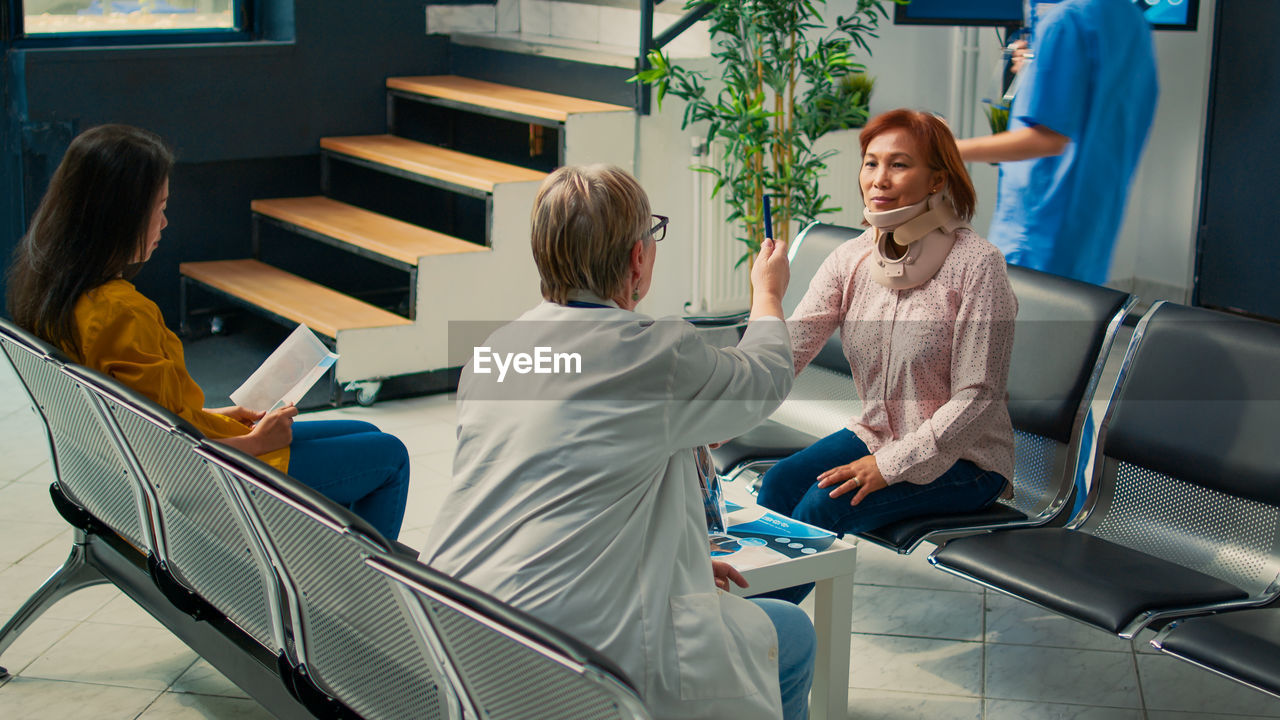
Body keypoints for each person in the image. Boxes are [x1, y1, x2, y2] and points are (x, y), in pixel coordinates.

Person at [422, 164, 814, 720]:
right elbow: (765, 377)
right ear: (637, 258)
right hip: (571, 661)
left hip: (459, 629)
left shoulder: (497, 351)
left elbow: (556, 488)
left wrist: (677, 560)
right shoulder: (655, 355)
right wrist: (767, 292)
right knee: (792, 634)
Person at [5, 124, 411, 540]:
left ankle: (322, 563)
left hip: (141, 473)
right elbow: (170, 458)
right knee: (389, 457)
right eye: (158, 207)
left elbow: (153, 421)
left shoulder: (54, 296)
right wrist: (257, 443)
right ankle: (359, 598)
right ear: (120, 216)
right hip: (206, 483)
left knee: (366, 433)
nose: (164, 221)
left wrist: (229, 416)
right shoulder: (123, 314)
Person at [756, 110, 1017, 603]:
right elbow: (791, 346)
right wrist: (721, 408)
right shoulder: (853, 257)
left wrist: (892, 464)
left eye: (899, 165)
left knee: (820, 506)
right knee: (777, 486)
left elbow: (979, 394)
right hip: (876, 433)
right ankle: (749, 624)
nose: (879, 179)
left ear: (937, 178)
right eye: (871, 163)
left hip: (966, 459)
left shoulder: (979, 266)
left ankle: (760, 642)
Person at [955, 0, 1158, 285]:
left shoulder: (1065, 22)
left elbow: (1048, 139)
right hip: (1090, 223)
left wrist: (945, 149)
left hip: (1040, 227)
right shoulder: (1132, 21)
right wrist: (1036, 72)